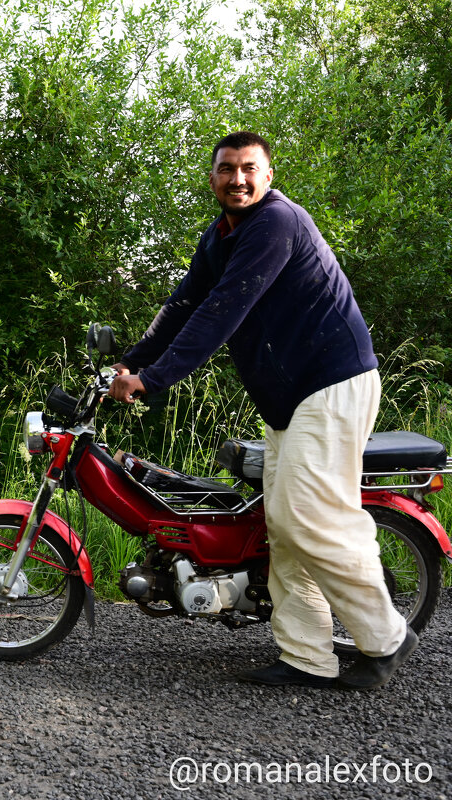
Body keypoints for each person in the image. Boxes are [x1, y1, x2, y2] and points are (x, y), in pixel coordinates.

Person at [108, 131, 415, 690]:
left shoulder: (275, 223)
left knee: (309, 519)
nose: (238, 179)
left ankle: (388, 636)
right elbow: (184, 303)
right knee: (283, 525)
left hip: (332, 382)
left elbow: (221, 312)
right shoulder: (221, 236)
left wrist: (152, 380)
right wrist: (129, 363)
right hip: (290, 399)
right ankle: (306, 656)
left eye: (250, 168)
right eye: (227, 169)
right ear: (213, 179)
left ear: (268, 176)